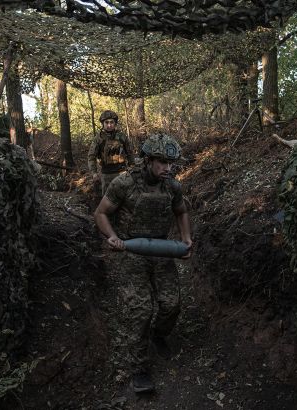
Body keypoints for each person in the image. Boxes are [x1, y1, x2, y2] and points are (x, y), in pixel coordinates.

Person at [93, 132, 193, 394]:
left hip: (161, 251)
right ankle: (139, 368)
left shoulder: (172, 186)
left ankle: (159, 335)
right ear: (147, 160)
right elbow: (101, 213)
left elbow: (181, 211)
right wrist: (113, 237)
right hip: (132, 252)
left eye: (171, 163)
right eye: (162, 162)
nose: (168, 168)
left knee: (171, 304)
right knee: (140, 310)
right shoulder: (124, 183)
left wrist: (186, 239)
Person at [88, 110, 133, 196]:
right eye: (106, 122)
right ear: (103, 123)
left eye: (112, 122)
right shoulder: (98, 139)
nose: (109, 125)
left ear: (115, 123)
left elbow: (130, 153)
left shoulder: (122, 137)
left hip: (122, 172)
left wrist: (132, 167)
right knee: (107, 199)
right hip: (106, 174)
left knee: (124, 197)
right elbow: (91, 156)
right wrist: (94, 173)